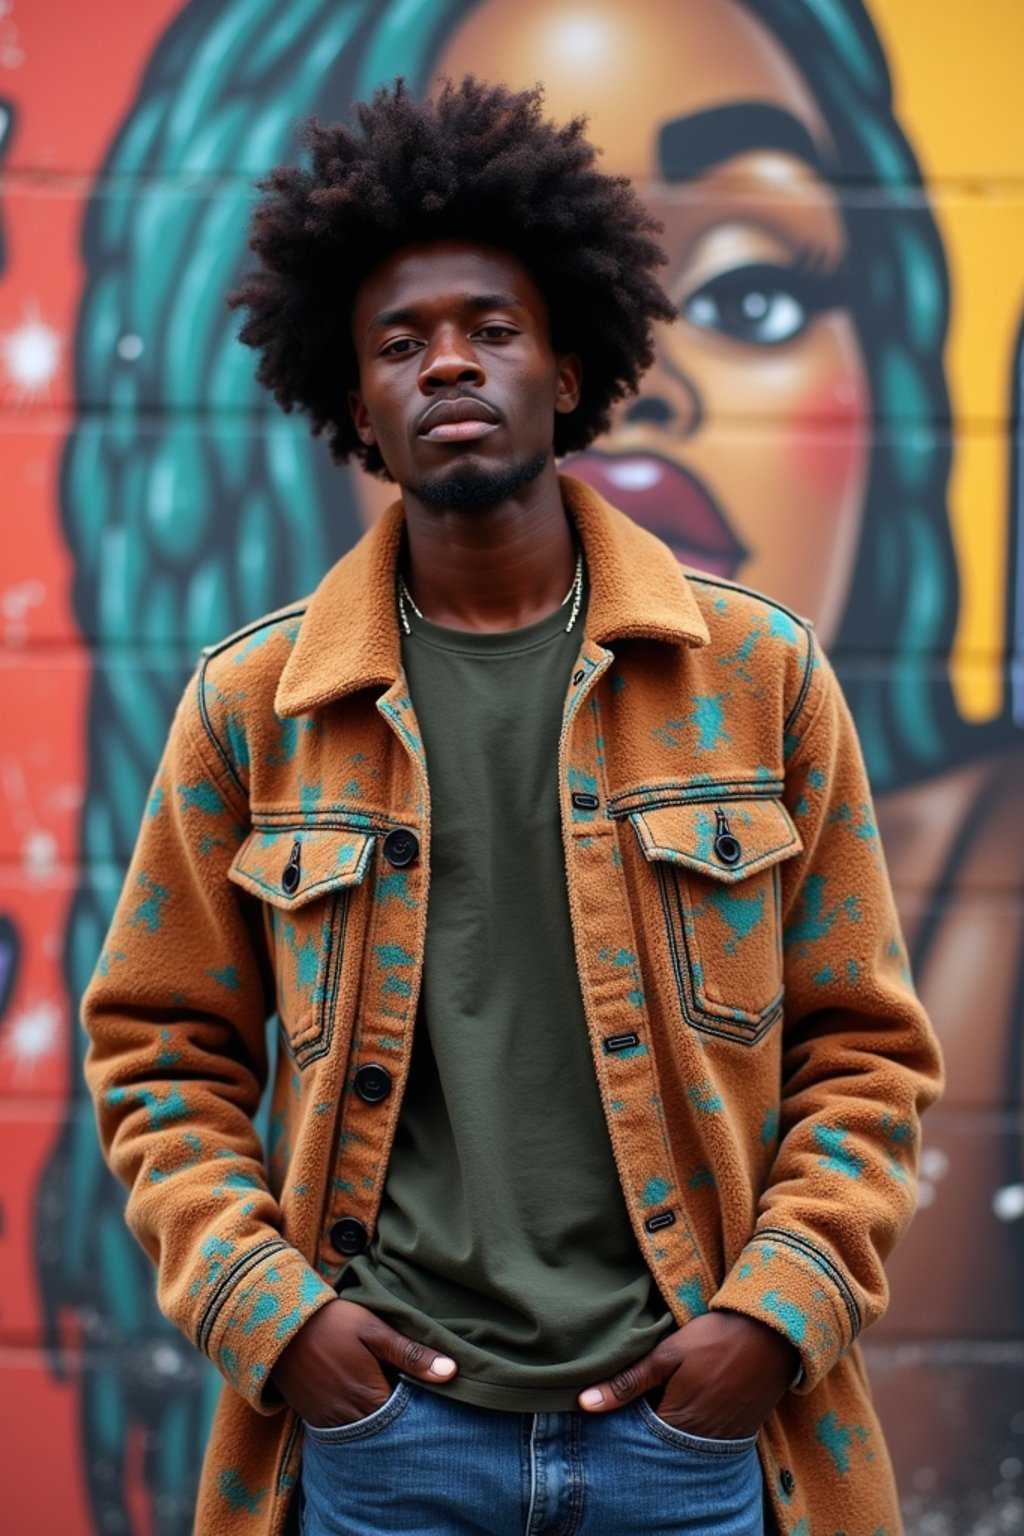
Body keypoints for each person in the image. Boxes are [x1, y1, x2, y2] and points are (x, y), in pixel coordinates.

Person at [82, 74, 940, 1536]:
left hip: (692, 1440)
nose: (450, 366)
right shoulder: (256, 707)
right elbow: (161, 1056)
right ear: (352, 396)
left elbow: (863, 1052)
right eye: (401, 344)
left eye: (493, 329)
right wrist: (275, 1315)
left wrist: (773, 1319)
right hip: (389, 1440)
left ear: (566, 363)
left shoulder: (756, 677)